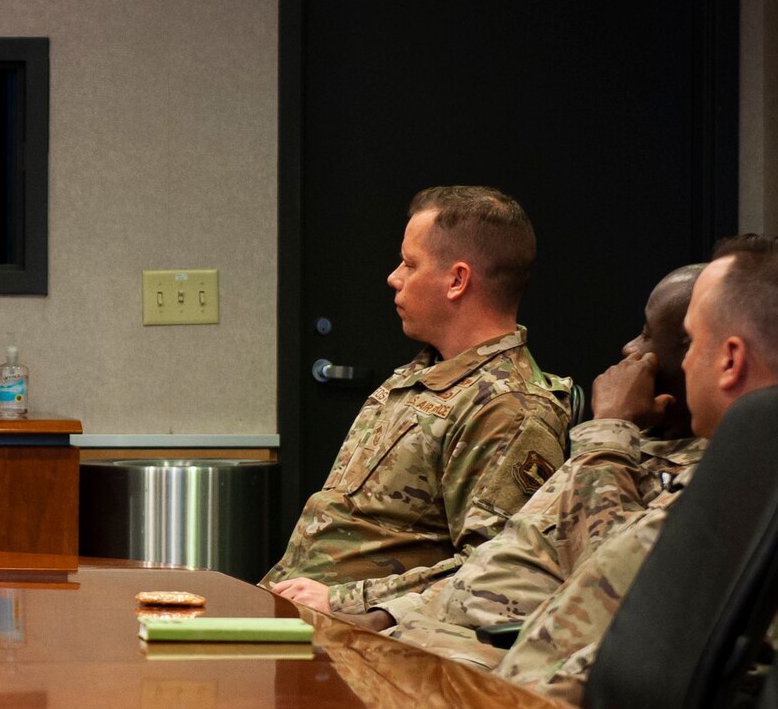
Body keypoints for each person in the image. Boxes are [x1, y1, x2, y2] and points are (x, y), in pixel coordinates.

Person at [280, 265, 705, 660]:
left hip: (496, 679)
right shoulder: (632, 445)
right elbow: (506, 559)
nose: (630, 348)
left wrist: (611, 429)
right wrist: (383, 616)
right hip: (397, 630)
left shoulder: (520, 409)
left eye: (649, 334)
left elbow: (594, 585)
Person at [499, 234, 778, 705]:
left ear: (730, 360)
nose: (685, 360)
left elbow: (617, 638)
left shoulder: (738, 492)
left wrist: (607, 432)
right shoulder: (736, 475)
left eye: (693, 341)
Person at [265, 186, 571, 607]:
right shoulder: (424, 373)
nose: (394, 277)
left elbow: (499, 573)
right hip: (306, 613)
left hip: (371, 636)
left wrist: (346, 600)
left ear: (458, 280)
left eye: (410, 264)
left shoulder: (510, 408)